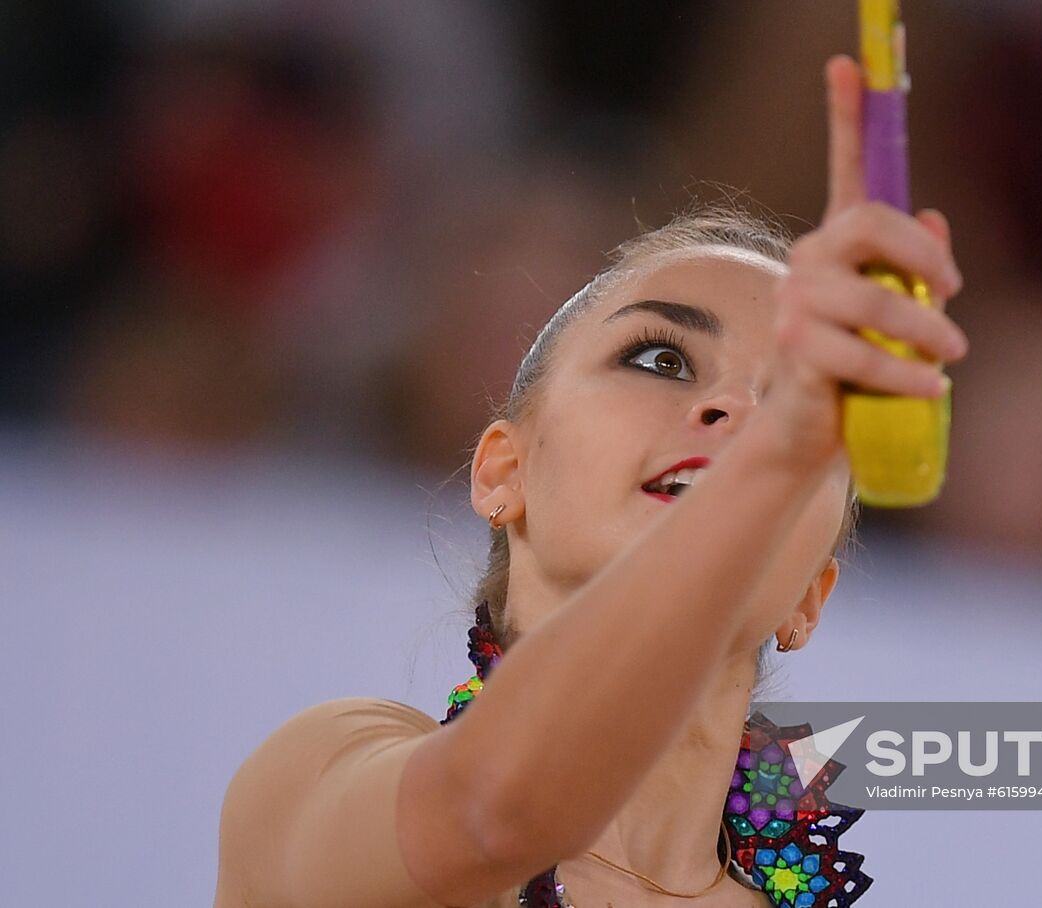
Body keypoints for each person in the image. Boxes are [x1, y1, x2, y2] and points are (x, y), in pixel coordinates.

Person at [214, 54, 968, 908]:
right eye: (661, 358)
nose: (734, 409)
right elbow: (494, 815)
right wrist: (777, 450)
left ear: (811, 598)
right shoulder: (317, 773)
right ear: (504, 469)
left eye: (788, 391)